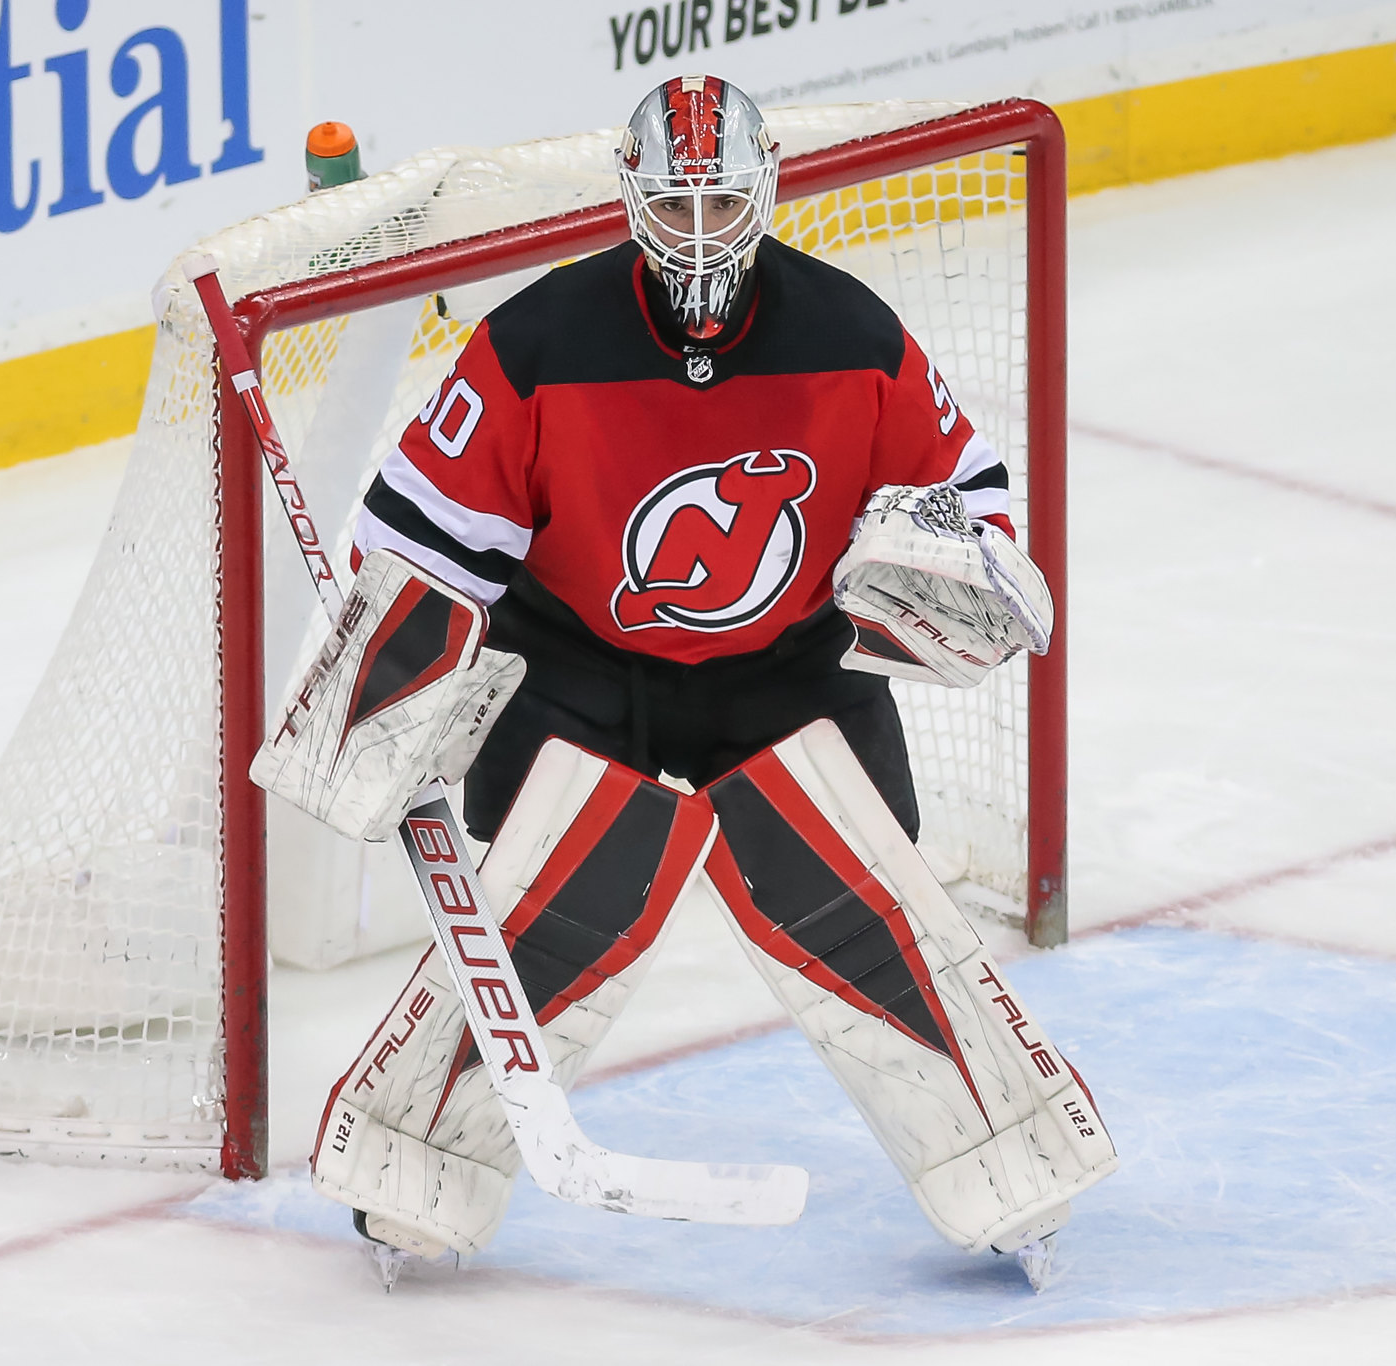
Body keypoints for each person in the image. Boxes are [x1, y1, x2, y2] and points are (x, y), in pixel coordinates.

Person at [255, 74, 1115, 1285]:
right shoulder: (540, 342)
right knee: (542, 913)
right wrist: (383, 695)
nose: (700, 233)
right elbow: (416, 542)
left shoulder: (851, 336)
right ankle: (411, 1166)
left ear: (764, 193)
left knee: (873, 905)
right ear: (630, 197)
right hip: (576, 664)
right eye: (675, 204)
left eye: (721, 204)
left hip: (788, 663)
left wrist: (935, 574)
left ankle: (1010, 1161)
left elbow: (968, 501)